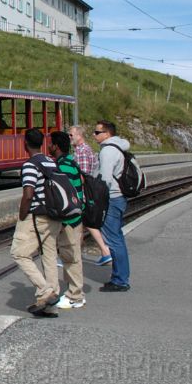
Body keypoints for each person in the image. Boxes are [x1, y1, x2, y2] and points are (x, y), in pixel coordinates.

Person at [10, 128, 62, 317]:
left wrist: (22, 214)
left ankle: (45, 292)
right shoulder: (51, 162)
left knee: (19, 253)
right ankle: (50, 306)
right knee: (48, 256)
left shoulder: (30, 165)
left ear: (25, 144)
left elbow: (28, 194)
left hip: (37, 216)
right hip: (54, 217)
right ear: (42, 143)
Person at [50, 131, 85, 309]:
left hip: (69, 219)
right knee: (71, 255)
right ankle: (74, 292)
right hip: (75, 216)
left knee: (71, 256)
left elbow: (63, 196)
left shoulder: (62, 166)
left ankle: (75, 296)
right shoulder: (70, 162)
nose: (48, 146)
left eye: (50, 143)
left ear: (56, 146)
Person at [95, 120, 131, 292]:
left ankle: (120, 280)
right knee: (118, 238)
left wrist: (96, 199)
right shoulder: (119, 147)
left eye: (97, 132)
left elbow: (105, 179)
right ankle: (120, 276)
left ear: (107, 134)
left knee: (114, 240)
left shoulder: (108, 150)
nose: (94, 135)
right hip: (120, 197)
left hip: (112, 198)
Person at [70, 124, 111, 265]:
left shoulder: (82, 151)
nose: (70, 137)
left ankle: (104, 251)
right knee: (81, 225)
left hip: (84, 193)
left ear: (79, 135)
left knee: (84, 223)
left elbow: (83, 175)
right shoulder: (82, 150)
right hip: (86, 193)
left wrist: (77, 193)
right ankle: (75, 256)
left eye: (71, 135)